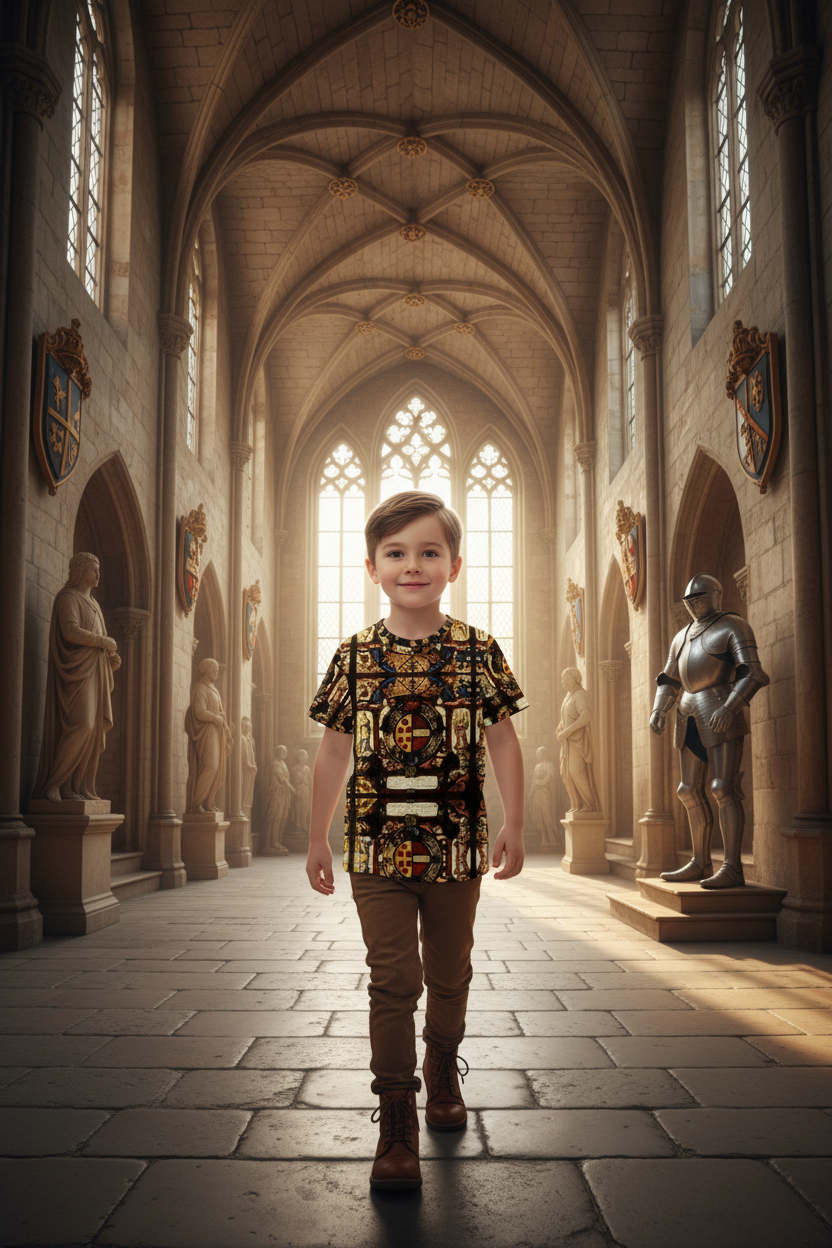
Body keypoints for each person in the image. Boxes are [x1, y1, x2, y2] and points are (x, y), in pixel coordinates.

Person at [306, 491, 527, 1192]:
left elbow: (504, 741)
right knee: (392, 977)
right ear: (372, 566)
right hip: (375, 845)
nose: (413, 565)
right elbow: (333, 752)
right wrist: (318, 837)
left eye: (429, 552)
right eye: (396, 553)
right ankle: (396, 1112)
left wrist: (515, 822)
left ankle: (441, 1062)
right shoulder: (355, 657)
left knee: (451, 970)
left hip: (457, 843)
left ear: (454, 564)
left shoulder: (477, 652)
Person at [650, 573, 769, 888]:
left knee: (722, 788)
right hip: (687, 711)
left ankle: (732, 867)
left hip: (719, 706)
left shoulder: (733, 625)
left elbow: (753, 673)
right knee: (687, 790)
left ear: (716, 595)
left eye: (699, 597)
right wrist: (659, 709)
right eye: (689, 600)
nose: (693, 604)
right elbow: (670, 679)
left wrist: (730, 707)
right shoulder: (681, 636)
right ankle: (699, 862)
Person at [35, 552, 121, 802]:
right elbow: (71, 631)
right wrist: (103, 642)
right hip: (76, 674)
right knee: (83, 725)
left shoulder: (94, 605)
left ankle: (75, 787)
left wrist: (109, 660)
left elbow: (99, 645)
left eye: (98, 569)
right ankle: (53, 783)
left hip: (95, 672)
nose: (98, 574)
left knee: (94, 733)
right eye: (94, 569)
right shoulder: (68, 598)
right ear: (80, 571)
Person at [184, 658, 233, 813]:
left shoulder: (213, 689)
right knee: (211, 765)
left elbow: (218, 709)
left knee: (219, 770)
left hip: (217, 732)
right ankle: (195, 803)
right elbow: (199, 712)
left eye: (218, 669)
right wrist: (216, 718)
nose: (217, 672)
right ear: (206, 670)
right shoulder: (200, 689)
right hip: (207, 733)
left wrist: (222, 718)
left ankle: (208, 802)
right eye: (215, 669)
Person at [557, 667, 600, 812]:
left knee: (576, 771)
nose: (563, 682)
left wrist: (567, 732)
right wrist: (560, 727)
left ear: (575, 679)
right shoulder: (568, 697)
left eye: (566, 679)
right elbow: (567, 717)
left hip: (577, 741)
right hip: (567, 742)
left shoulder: (581, 695)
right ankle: (576, 804)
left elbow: (586, 715)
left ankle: (589, 804)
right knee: (566, 773)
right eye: (562, 680)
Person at [263, 745, 294, 854]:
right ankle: (270, 843)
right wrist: (291, 788)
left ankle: (277, 841)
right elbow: (281, 778)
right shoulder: (275, 764)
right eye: (282, 751)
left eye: (285, 751)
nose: (284, 753)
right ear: (278, 752)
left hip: (283, 794)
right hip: (276, 794)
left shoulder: (282, 763)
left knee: (281, 818)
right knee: (274, 817)